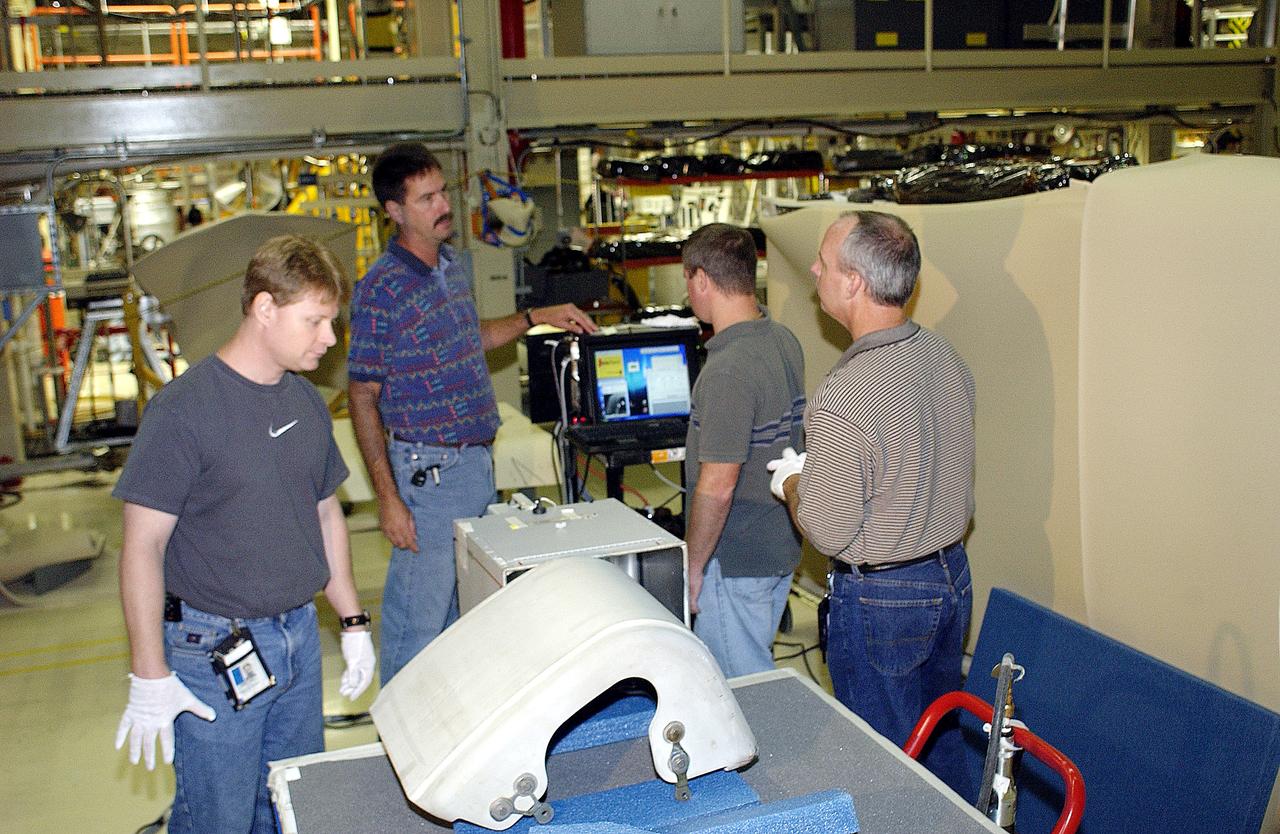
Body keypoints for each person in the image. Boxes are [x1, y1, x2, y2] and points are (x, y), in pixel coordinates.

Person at [113, 235, 376, 834]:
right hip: (213, 649)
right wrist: (149, 673)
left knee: (290, 804)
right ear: (263, 309)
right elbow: (143, 546)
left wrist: (354, 623)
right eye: (315, 321)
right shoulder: (184, 411)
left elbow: (325, 514)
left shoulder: (306, 402)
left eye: (332, 322)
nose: (330, 339)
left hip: (298, 637)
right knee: (219, 817)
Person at [347, 143, 595, 684]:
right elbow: (361, 395)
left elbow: (469, 338)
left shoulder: (450, 266)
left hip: (475, 468)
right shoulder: (380, 290)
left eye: (443, 192)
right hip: (427, 474)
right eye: (426, 197)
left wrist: (534, 316)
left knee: (469, 620)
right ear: (394, 211)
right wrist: (389, 499)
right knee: (417, 627)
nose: (443, 206)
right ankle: (401, 753)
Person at [769, 211, 975, 753]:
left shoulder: (846, 392)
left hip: (884, 602)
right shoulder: (942, 356)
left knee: (886, 764)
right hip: (950, 576)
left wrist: (794, 481)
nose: (814, 269)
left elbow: (828, 532)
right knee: (937, 749)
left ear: (855, 283)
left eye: (825, 262)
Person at [681, 223, 806, 678]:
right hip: (777, 546)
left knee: (741, 692)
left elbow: (717, 486)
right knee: (758, 670)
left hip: (734, 559)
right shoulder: (782, 340)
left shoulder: (728, 369)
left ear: (701, 280)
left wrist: (692, 568)